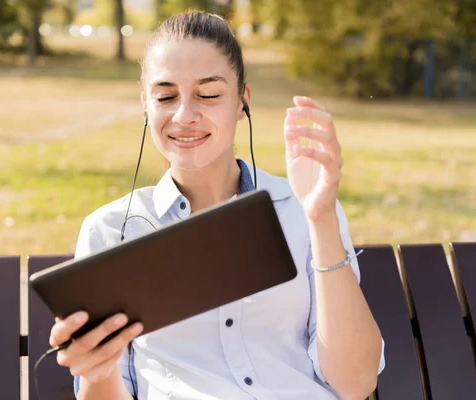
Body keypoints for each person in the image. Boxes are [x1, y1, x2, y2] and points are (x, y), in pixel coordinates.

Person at [49, 10, 385, 400]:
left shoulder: (304, 209)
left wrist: (321, 218)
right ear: (145, 104)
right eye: (165, 96)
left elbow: (357, 384)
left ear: (243, 99)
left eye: (208, 94)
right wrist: (97, 367)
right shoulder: (110, 232)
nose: (185, 116)